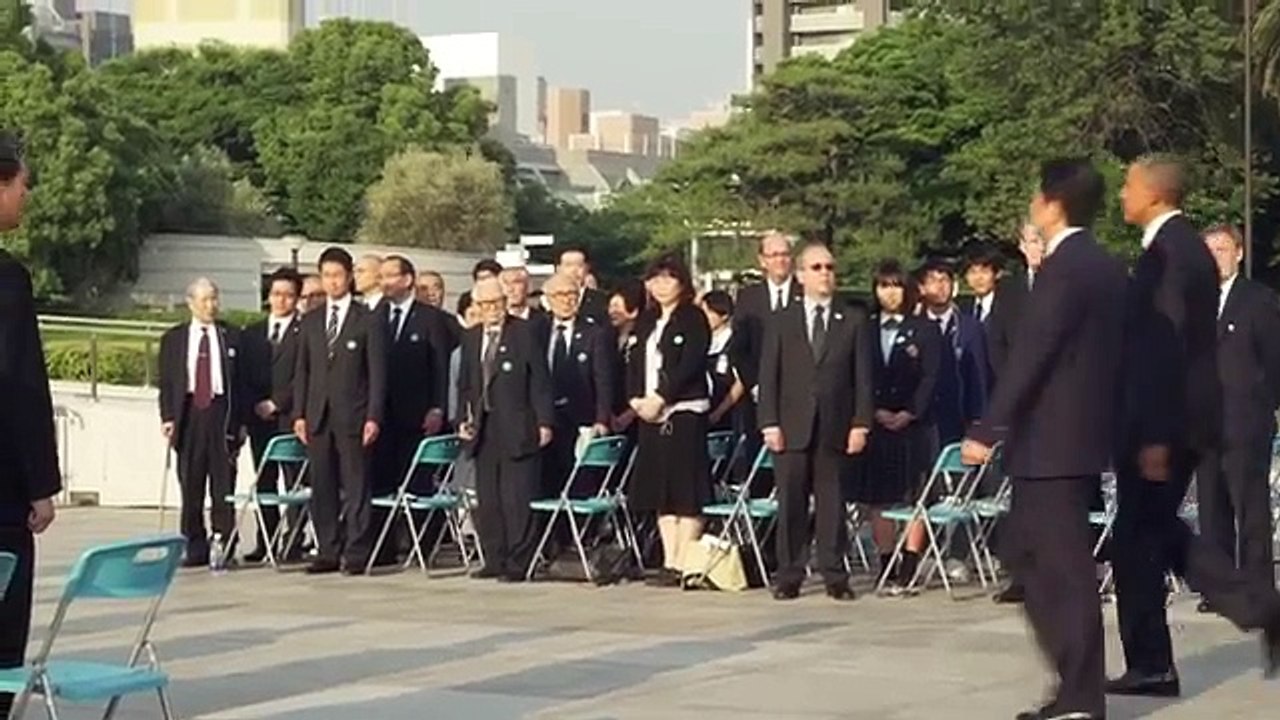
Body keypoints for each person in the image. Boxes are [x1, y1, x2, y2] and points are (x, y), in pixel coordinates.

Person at [1109, 156, 1280, 696]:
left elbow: (1167, 350)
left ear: (1154, 193)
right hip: (1173, 418)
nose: (1120, 194)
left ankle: (1164, 658)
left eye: (1128, 185)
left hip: (1165, 421)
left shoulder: (1172, 255)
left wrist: (1156, 433)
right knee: (1156, 534)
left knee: (1136, 539)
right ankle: (1243, 612)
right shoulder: (1178, 250)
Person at [962, 158, 1126, 720]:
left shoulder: (1068, 267)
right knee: (1024, 552)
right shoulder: (1104, 265)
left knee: (1060, 567)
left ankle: (1082, 694)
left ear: (1053, 201)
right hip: (1070, 437)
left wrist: (988, 428)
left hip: (1052, 441)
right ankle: (1075, 682)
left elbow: (1034, 354)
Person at [758, 242, 872, 601]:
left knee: (832, 502)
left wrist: (861, 423)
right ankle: (790, 573)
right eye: (817, 267)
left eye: (830, 267)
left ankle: (834, 574)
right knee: (791, 502)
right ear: (801, 274)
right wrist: (769, 422)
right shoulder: (782, 320)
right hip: (791, 425)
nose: (825, 274)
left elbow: (863, 378)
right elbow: (769, 374)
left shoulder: (852, 319)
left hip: (835, 425)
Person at [0, 133, 60, 719]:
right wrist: (40, 482)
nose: (27, 195)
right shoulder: (7, 279)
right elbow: (18, 386)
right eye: (22, 183)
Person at [1196, 224, 1280, 611]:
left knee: (1250, 507)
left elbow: (1274, 360)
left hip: (1246, 421)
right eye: (1209, 251)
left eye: (1223, 249)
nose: (1216, 257)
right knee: (1211, 507)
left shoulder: (1258, 301)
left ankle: (1259, 586)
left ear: (1239, 253)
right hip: (1205, 424)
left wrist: (1265, 406)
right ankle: (1221, 587)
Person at [292, 247, 388, 575]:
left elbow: (377, 373)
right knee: (322, 485)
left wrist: (373, 415)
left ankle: (357, 551)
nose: (332, 282)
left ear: (349, 277)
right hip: (318, 415)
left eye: (338, 275)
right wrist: (300, 414)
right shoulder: (311, 320)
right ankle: (327, 549)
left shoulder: (367, 320)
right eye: (326, 276)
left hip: (354, 416)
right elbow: (302, 371)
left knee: (356, 484)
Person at [456, 277, 554, 581]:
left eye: (497, 303)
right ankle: (494, 557)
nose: (492, 310)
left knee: (516, 497)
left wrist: (544, 422)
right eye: (485, 305)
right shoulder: (472, 337)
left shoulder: (524, 333)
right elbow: (466, 384)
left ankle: (519, 560)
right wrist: (463, 418)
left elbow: (540, 382)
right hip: (484, 427)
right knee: (489, 498)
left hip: (518, 423)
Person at [851, 260, 940, 590]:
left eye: (895, 285)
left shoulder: (924, 328)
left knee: (914, 496)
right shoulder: (865, 327)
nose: (889, 293)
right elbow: (858, 375)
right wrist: (872, 411)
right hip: (876, 422)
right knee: (879, 498)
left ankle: (910, 561)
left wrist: (910, 412)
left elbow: (932, 376)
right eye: (883, 286)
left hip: (913, 425)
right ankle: (886, 560)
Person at [626, 253, 713, 587]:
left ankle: (684, 561)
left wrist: (662, 397)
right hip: (647, 415)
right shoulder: (646, 320)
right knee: (661, 489)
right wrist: (636, 400)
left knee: (685, 488)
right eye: (655, 279)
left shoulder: (693, 318)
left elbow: (689, 364)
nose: (661, 285)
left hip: (683, 412)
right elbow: (633, 363)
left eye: (669, 278)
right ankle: (668, 558)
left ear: (682, 282)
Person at [158, 278, 246, 567]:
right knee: (191, 485)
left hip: (221, 413)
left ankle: (225, 542)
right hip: (191, 412)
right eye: (205, 299)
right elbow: (167, 383)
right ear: (191, 302)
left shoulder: (231, 335)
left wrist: (240, 422)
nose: (211, 305)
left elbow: (242, 384)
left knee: (223, 485)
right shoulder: (174, 339)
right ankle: (193, 545)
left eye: (215, 298)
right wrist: (168, 417)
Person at [371, 256, 452, 564]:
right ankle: (384, 547)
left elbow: (440, 366)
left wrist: (438, 407)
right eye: (382, 276)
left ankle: (423, 545)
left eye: (391, 276)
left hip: (418, 415)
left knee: (417, 483)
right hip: (382, 415)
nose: (385, 282)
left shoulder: (430, 318)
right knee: (381, 482)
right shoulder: (374, 314)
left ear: (407, 280)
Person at [241, 268, 304, 563]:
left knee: (294, 483)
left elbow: (305, 376)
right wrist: (254, 405)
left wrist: (278, 402)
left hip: (290, 417)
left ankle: (294, 539)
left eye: (288, 295)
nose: (282, 300)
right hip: (259, 420)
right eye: (277, 294)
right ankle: (265, 539)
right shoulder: (252, 333)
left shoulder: (304, 332)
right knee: (265, 481)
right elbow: (244, 375)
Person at [540, 272, 614, 501]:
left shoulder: (594, 333)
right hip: (547, 417)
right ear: (548, 299)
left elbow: (603, 378)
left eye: (572, 294)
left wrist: (602, 419)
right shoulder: (536, 331)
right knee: (547, 480)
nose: (567, 300)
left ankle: (580, 532)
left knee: (580, 482)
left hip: (581, 417)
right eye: (560, 295)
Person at [918, 258, 989, 446]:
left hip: (957, 419)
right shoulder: (912, 326)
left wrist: (978, 422)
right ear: (922, 288)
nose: (939, 287)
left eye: (944, 281)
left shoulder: (970, 327)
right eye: (933, 281)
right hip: (919, 420)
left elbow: (978, 378)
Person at [960, 242, 1025, 386]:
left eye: (984, 271)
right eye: (972, 272)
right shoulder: (962, 310)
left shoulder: (1012, 309)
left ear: (996, 274)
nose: (978, 278)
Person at [701, 290, 745, 433]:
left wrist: (718, 412)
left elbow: (740, 382)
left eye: (708, 312)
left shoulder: (734, 342)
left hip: (728, 417)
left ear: (724, 315)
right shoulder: (702, 341)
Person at [607, 280, 646, 434]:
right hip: (613, 413)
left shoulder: (644, 338)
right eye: (610, 306)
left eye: (617, 306)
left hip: (638, 415)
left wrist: (630, 414)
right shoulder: (607, 338)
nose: (612, 311)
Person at [556, 246, 609, 326]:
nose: (574, 270)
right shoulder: (548, 300)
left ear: (587, 268)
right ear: (558, 269)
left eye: (579, 265)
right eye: (568, 265)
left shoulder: (601, 300)